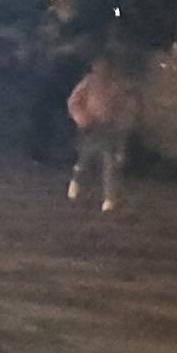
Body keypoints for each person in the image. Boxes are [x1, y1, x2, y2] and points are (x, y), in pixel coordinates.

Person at [67, 19, 144, 213]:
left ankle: (110, 197)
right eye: (99, 66)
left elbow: (127, 102)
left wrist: (124, 119)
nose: (102, 70)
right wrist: (82, 117)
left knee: (110, 162)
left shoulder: (117, 85)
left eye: (107, 67)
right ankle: (76, 182)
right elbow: (74, 102)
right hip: (90, 127)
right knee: (85, 159)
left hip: (109, 128)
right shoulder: (88, 83)